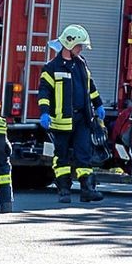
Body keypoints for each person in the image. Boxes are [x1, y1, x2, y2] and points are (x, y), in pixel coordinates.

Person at [37, 24, 105, 203]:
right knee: (61, 157)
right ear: (69, 45)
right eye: (79, 46)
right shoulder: (51, 68)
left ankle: (87, 190)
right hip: (61, 121)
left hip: (82, 119)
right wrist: (44, 113)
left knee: (84, 154)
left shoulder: (81, 63)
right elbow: (44, 93)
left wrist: (98, 104)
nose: (81, 49)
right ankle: (64, 191)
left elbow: (90, 86)